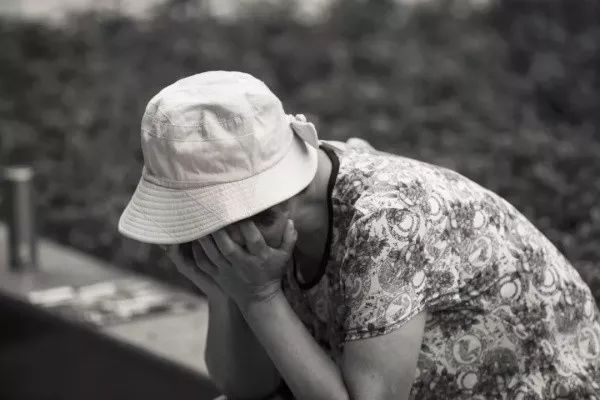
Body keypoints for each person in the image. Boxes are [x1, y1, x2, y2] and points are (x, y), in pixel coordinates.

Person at [118, 71, 600, 400]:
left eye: (197, 220)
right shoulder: (280, 219)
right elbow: (247, 388)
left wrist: (261, 297)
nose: (191, 238)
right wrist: (227, 293)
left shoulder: (386, 220)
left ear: (260, 207)